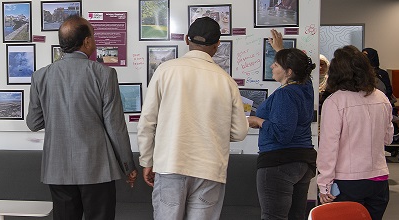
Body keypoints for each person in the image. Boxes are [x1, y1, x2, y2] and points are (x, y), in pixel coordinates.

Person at [26, 15, 137, 220]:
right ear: (86, 41)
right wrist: (128, 165)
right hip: (98, 168)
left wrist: (55, 113)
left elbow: (33, 123)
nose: (94, 40)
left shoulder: (40, 76)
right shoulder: (104, 74)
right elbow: (115, 126)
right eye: (93, 36)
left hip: (57, 169)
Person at [138, 17, 248, 220]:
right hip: (209, 168)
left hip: (170, 163)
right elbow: (240, 132)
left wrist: (147, 160)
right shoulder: (226, 81)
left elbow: (148, 121)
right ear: (217, 45)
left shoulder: (165, 71)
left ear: (187, 39)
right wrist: (215, 129)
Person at [247, 29, 317, 220]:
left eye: (276, 64)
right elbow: (304, 67)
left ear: (289, 71)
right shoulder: (305, 87)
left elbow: (282, 134)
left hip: (280, 164)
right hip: (302, 163)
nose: (271, 67)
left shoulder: (285, 94)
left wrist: (257, 121)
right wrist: (280, 48)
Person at [317, 45, 393, 220]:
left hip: (348, 180)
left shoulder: (335, 102)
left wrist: (324, 184)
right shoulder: (381, 97)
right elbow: (388, 138)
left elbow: (329, 147)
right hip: (379, 179)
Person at [362, 48, 399, 139]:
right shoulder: (360, 73)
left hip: (381, 103)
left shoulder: (382, 73)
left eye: (366, 55)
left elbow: (389, 90)